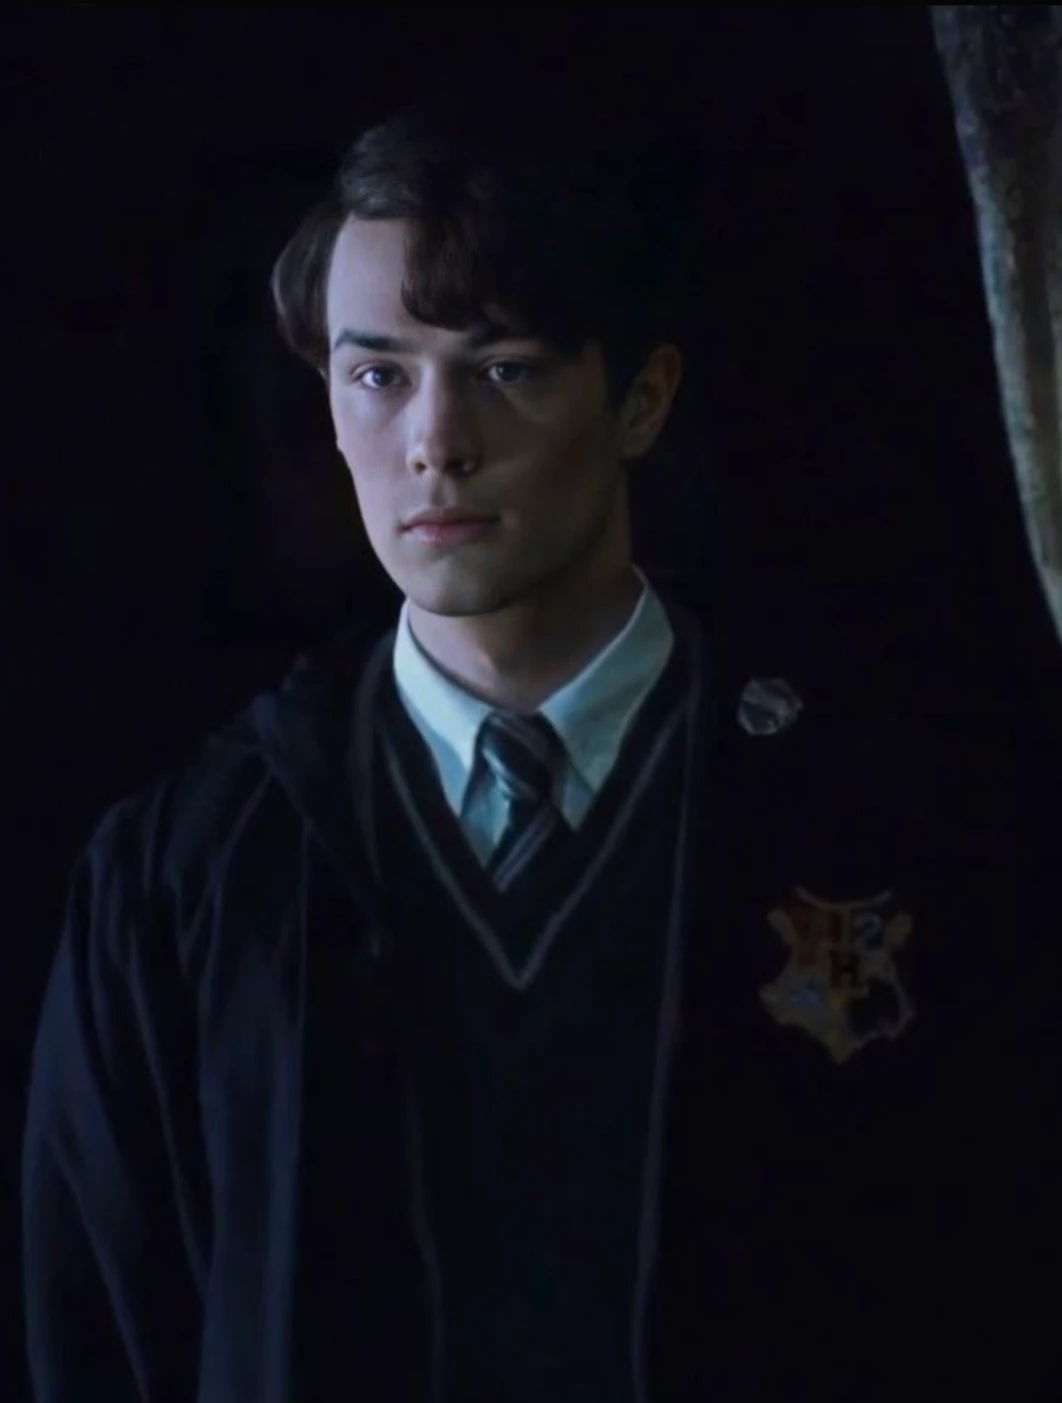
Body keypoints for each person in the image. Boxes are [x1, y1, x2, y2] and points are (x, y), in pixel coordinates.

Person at [21, 82, 1058, 1403]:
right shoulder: (185, 877)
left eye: (504, 369)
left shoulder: (879, 818)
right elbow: (99, 1337)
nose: (435, 445)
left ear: (641, 400)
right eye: (378, 374)